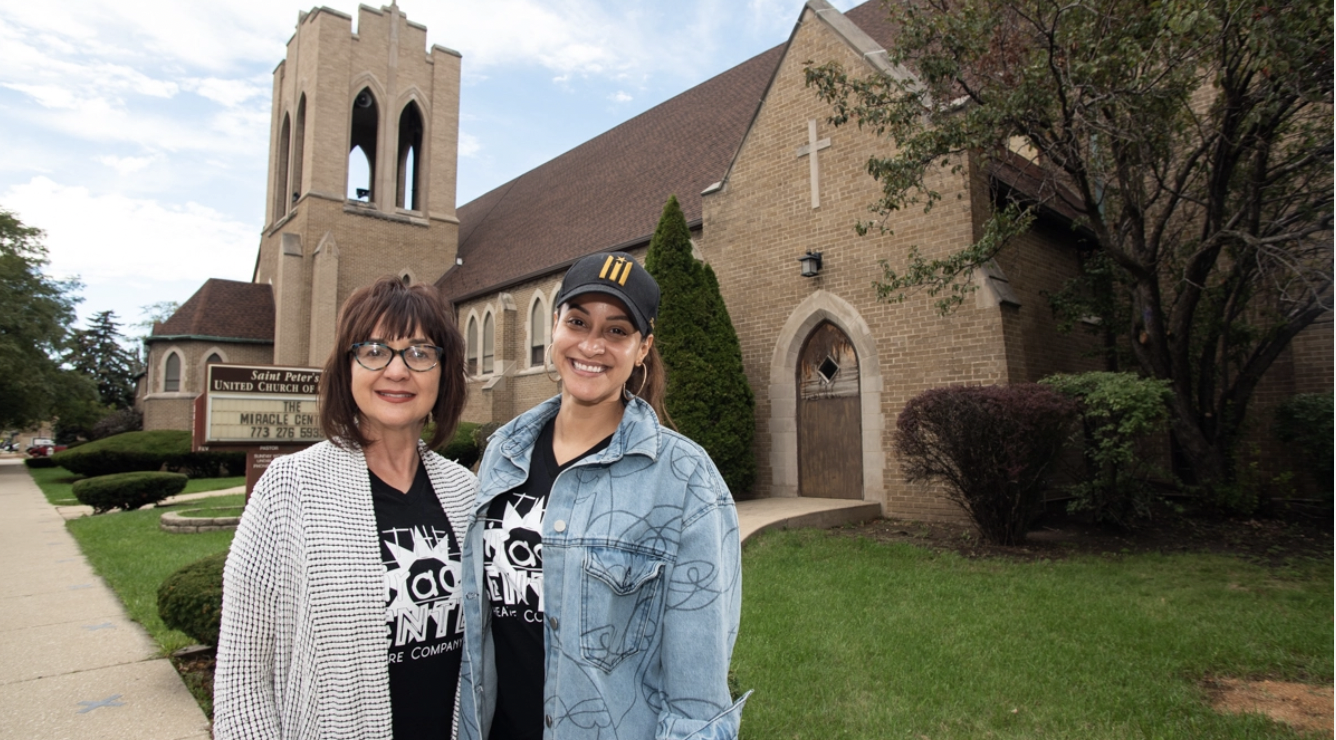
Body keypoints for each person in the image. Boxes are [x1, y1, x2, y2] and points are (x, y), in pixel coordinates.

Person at [458, 252, 748, 740]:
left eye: (616, 331)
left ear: (642, 348)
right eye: (577, 322)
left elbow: (698, 696)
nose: (591, 345)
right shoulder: (503, 453)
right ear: (554, 329)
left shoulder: (685, 480)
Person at [215, 276, 478, 740]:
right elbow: (244, 672)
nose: (397, 371)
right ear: (347, 368)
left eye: (419, 353)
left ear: (444, 372)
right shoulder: (290, 488)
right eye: (375, 351)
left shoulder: (465, 492)